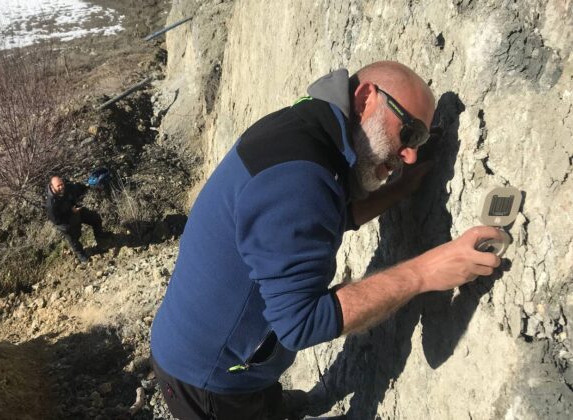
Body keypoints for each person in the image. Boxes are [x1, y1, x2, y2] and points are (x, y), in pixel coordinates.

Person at [149, 61, 503, 419]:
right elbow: (300, 323)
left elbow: (323, 218)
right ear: (366, 99)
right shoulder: (297, 178)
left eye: (420, 140)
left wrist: (400, 188)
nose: (411, 154)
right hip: (208, 380)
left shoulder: (307, 131)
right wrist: (425, 272)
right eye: (408, 133)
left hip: (211, 346)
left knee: (264, 396)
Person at [46, 175, 104, 263]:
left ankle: (100, 236)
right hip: (66, 222)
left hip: (76, 211)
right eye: (58, 186)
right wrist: (71, 212)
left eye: (62, 184)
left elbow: (77, 188)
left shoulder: (67, 187)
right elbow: (57, 221)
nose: (61, 187)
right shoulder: (51, 204)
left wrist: (88, 186)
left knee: (95, 218)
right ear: (52, 187)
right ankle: (81, 255)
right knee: (74, 240)